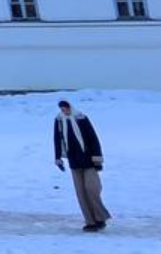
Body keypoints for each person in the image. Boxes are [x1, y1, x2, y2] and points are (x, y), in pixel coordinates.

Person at [52, 98, 110, 232]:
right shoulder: (59, 121)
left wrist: (97, 160)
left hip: (88, 160)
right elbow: (57, 139)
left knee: (91, 189)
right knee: (81, 193)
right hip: (74, 161)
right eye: (62, 109)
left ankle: (100, 218)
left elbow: (93, 138)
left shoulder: (81, 118)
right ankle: (90, 221)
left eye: (65, 108)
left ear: (70, 107)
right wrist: (58, 158)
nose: (64, 111)